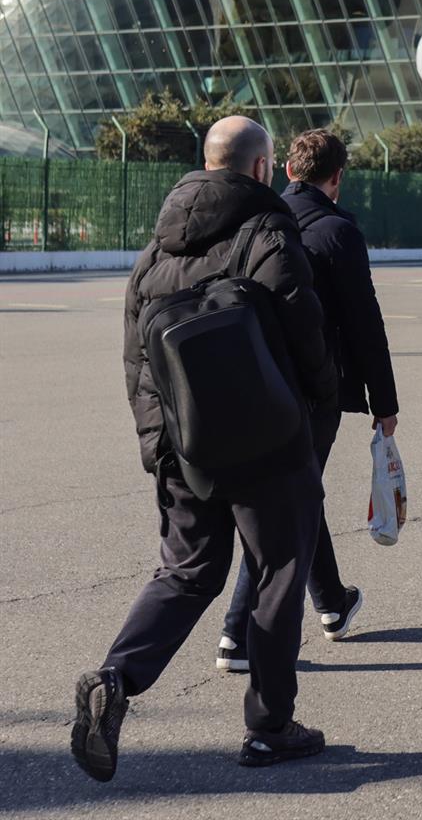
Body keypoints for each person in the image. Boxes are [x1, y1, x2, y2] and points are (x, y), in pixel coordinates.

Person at [74, 116, 336, 780]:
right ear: (257, 168)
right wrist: (315, 412)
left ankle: (115, 679)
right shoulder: (268, 232)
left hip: (185, 447)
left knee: (187, 573)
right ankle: (270, 727)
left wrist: (158, 447)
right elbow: (305, 330)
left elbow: (137, 361)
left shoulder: (154, 252)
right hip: (269, 442)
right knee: (279, 571)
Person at [217, 129, 396, 675]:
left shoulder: (254, 222)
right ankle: (237, 634)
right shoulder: (339, 231)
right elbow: (364, 323)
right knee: (286, 504)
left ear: (288, 169)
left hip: (253, 380)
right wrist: (383, 402)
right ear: (336, 177)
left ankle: (333, 604)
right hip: (315, 391)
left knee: (298, 493)